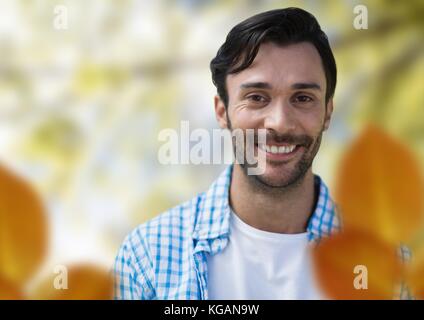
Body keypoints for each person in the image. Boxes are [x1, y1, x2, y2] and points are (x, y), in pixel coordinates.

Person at [114, 7, 340, 300]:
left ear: (327, 113)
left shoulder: (389, 265)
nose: (280, 122)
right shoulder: (146, 259)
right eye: (257, 98)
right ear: (222, 112)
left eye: (303, 98)